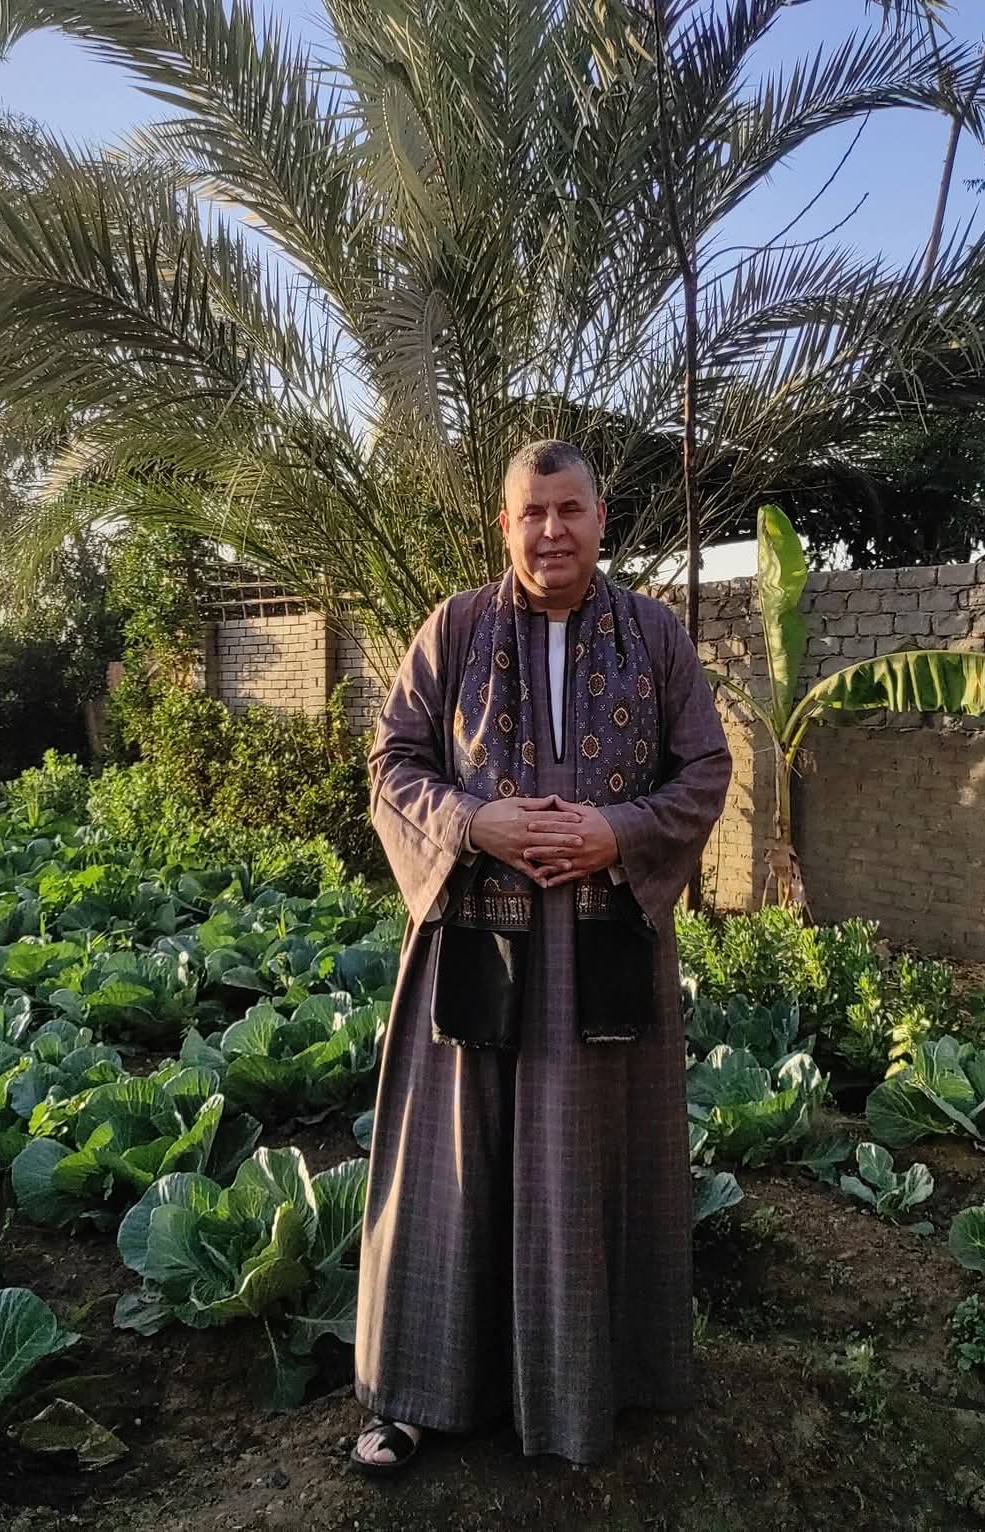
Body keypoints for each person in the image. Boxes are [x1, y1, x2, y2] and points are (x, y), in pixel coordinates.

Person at [351, 438, 732, 1473]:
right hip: (473, 947)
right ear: (504, 524)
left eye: (570, 509)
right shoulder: (454, 629)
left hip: (606, 950)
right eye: (533, 512)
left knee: (593, 1164)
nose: (551, 530)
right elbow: (391, 761)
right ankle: (412, 1394)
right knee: (449, 1166)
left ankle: (593, 1392)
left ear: (602, 519)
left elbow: (704, 766)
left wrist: (617, 832)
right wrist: (477, 823)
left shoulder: (654, 634)